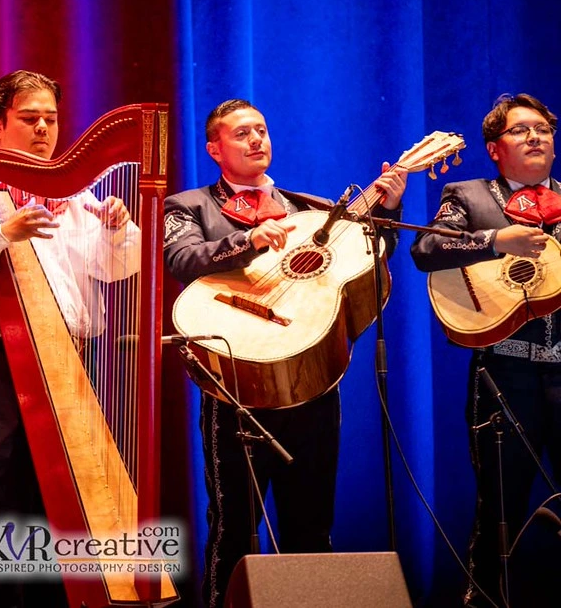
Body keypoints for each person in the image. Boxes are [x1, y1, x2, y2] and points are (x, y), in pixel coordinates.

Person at [162, 98, 407, 606]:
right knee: (234, 528)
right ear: (214, 149)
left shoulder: (308, 209)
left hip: (311, 383)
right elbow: (180, 259)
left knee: (313, 528)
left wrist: (386, 209)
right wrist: (249, 239)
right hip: (236, 386)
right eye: (241, 133)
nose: (256, 140)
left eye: (262, 130)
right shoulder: (189, 206)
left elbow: (362, 263)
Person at [0, 69, 140, 607]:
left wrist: (119, 230)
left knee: (59, 504)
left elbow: (117, 269)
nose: (43, 128)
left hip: (67, 362)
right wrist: (1, 232)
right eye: (29, 118)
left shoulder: (77, 194)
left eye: (50, 118)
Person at [411, 93, 561, 607]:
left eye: (543, 129)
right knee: (499, 508)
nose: (536, 137)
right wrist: (497, 241)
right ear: (495, 149)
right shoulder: (470, 195)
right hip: (503, 375)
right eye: (521, 130)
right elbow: (427, 249)